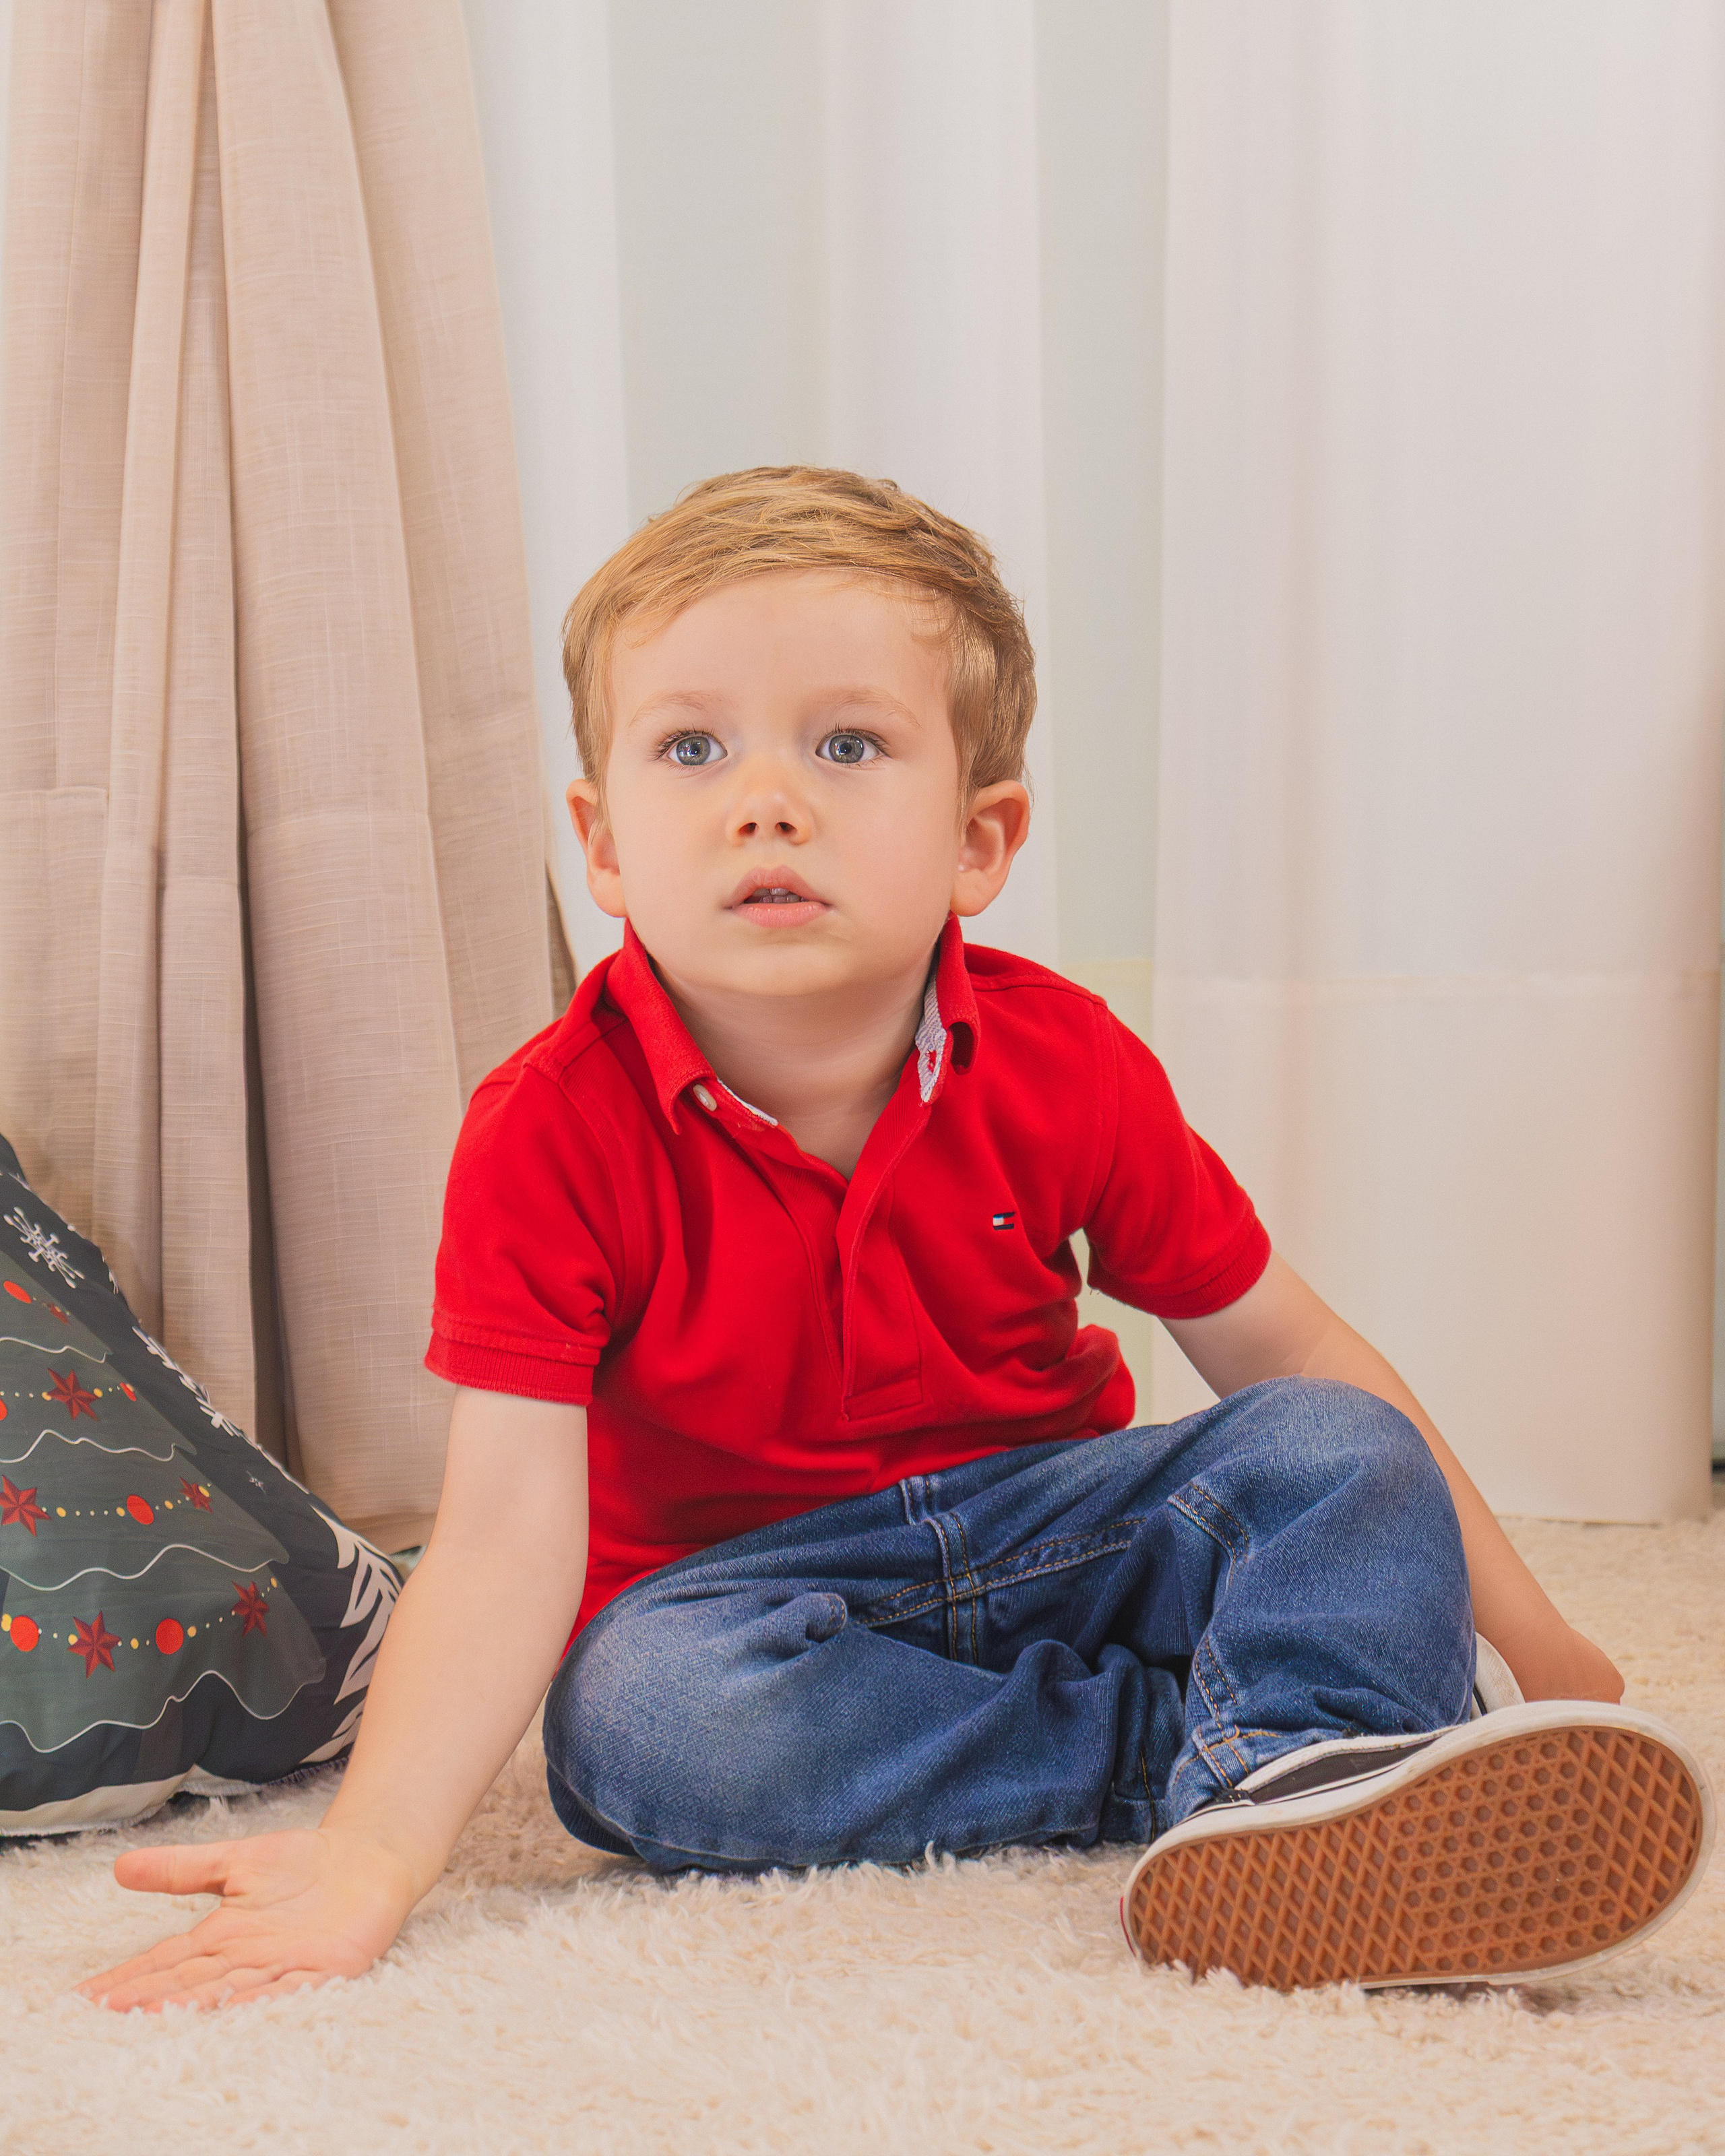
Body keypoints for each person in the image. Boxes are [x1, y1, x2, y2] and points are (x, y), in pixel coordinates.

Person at [82, 469, 1710, 2010]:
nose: (767, 803)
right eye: (692, 751)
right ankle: (1267, 1758)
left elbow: (1286, 1352)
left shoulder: (1064, 1059)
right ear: (599, 842)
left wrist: (1539, 1633)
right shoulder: (544, 1129)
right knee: (638, 1729)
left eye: (848, 747)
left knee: (1333, 1451)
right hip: (749, 1604)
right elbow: (507, 1531)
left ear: (979, 841)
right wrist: (374, 1852)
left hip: (1049, 1533)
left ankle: (1311, 1753)